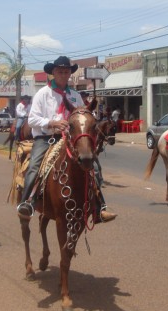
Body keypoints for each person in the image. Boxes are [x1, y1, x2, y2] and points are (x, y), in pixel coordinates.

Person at [16, 55, 116, 222]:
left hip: (69, 139)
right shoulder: (42, 93)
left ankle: (99, 207)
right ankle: (28, 202)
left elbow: (81, 117)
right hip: (46, 138)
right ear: (53, 72)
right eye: (60, 71)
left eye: (66, 71)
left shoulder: (75, 96)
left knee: (93, 165)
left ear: (70, 74)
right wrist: (52, 123)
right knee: (35, 165)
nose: (63, 74)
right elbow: (32, 120)